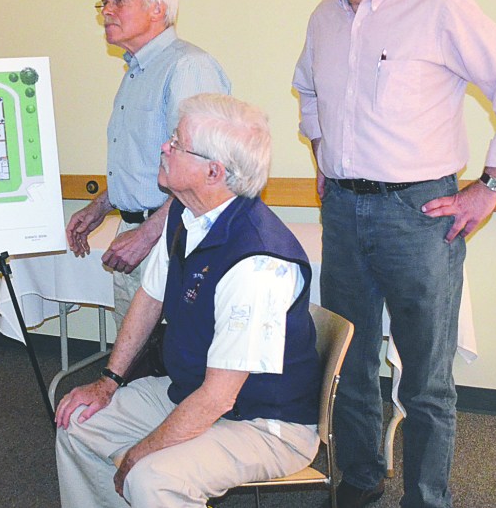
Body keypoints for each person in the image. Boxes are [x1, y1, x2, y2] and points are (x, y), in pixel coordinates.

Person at [292, 0, 496, 508]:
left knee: (425, 377)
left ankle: (427, 498)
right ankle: (361, 480)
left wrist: (490, 187)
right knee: (349, 362)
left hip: (419, 216)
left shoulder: (439, 7)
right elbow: (308, 91)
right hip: (343, 212)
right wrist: (324, 157)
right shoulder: (324, 20)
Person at [56, 93, 321, 508]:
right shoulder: (184, 214)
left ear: (214, 172)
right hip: (190, 392)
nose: (165, 146)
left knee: (151, 478)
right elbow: (149, 298)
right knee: (78, 423)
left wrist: (138, 455)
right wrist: (108, 382)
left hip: (262, 423)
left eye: (178, 143)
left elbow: (219, 397)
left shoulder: (258, 261)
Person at [66, 0, 231, 328]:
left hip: (172, 238)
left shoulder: (187, 67)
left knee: (172, 357)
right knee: (134, 356)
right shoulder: (138, 72)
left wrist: (147, 234)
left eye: (118, 0)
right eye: (104, 3)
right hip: (143, 234)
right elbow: (146, 163)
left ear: (157, 8)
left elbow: (203, 172)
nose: (106, 11)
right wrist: (101, 205)